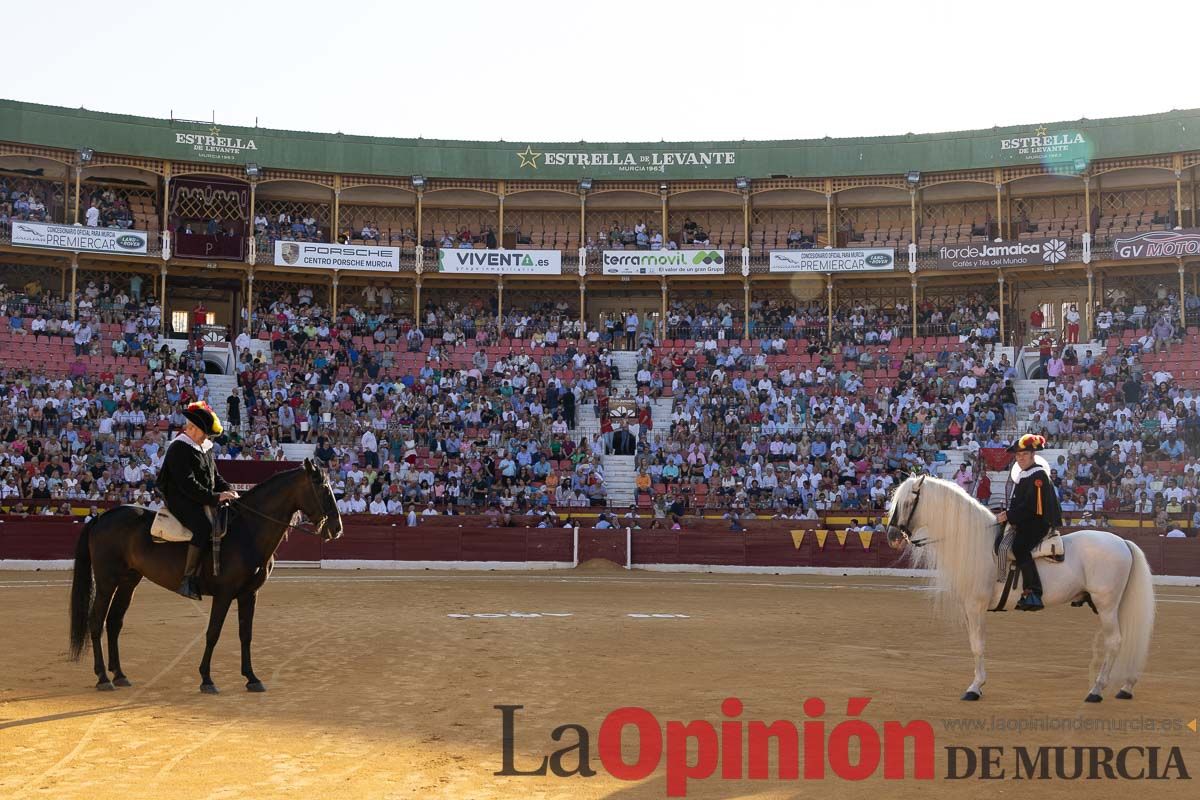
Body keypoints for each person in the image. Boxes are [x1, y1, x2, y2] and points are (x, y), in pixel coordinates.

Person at [157, 402, 238, 600]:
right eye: (202, 432)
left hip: (198, 496)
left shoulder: (205, 447)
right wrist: (215, 497)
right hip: (180, 498)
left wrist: (228, 489)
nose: (205, 437)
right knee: (202, 527)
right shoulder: (179, 447)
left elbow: (214, 477)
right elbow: (187, 484)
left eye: (206, 434)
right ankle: (188, 579)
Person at [995, 433, 1061, 611]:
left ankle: (1033, 592)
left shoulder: (1037, 475)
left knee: (1020, 547)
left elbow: (1033, 506)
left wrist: (1009, 515)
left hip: (1038, 521)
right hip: (1028, 518)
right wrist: (1008, 514)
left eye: (1024, 454)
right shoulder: (1026, 474)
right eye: (1017, 455)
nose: (1020, 458)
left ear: (1033, 455)